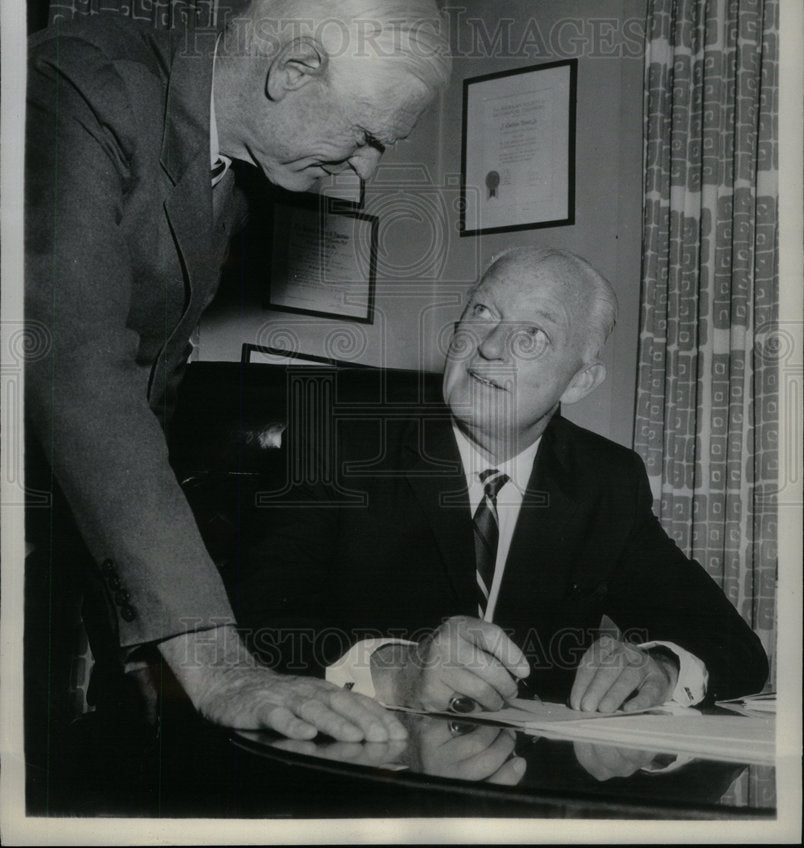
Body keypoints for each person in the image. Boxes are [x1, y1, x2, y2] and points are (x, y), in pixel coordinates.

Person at [25, 0, 449, 743]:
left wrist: (150, 645)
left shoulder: (232, 175)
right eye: (365, 137)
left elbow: (149, 402)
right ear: (293, 71)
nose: (360, 175)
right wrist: (215, 663)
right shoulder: (81, 84)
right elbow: (78, 370)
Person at [234, 248, 769, 713]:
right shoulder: (339, 443)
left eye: (533, 335)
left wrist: (660, 669)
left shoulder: (605, 480)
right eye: (482, 311)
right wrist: (394, 670)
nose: (488, 347)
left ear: (580, 381)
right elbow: (253, 626)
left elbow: (734, 647)